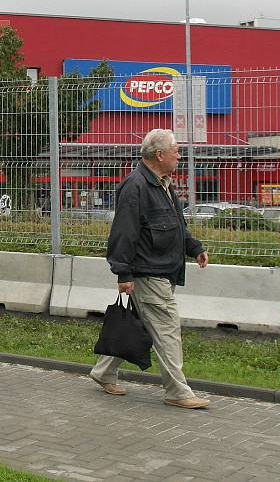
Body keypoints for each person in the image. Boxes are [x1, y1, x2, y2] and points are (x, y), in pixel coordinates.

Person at [89, 128, 210, 409]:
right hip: (149, 272)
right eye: (176, 151)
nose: (180, 156)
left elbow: (177, 225)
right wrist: (124, 273)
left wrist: (194, 247)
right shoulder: (136, 186)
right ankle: (178, 392)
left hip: (162, 270)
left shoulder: (164, 183)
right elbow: (123, 233)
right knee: (167, 330)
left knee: (137, 323)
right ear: (160, 154)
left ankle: (103, 372)